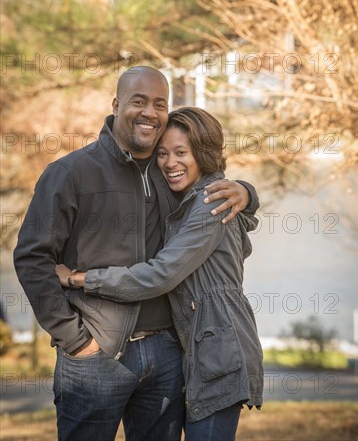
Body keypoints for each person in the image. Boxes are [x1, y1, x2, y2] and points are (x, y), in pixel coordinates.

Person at [13, 66, 259, 441]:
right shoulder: (70, 173)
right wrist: (76, 341)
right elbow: (32, 258)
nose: (150, 113)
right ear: (116, 104)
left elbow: (209, 187)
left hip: (166, 355)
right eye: (139, 101)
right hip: (95, 353)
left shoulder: (168, 175)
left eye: (160, 104)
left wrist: (245, 190)